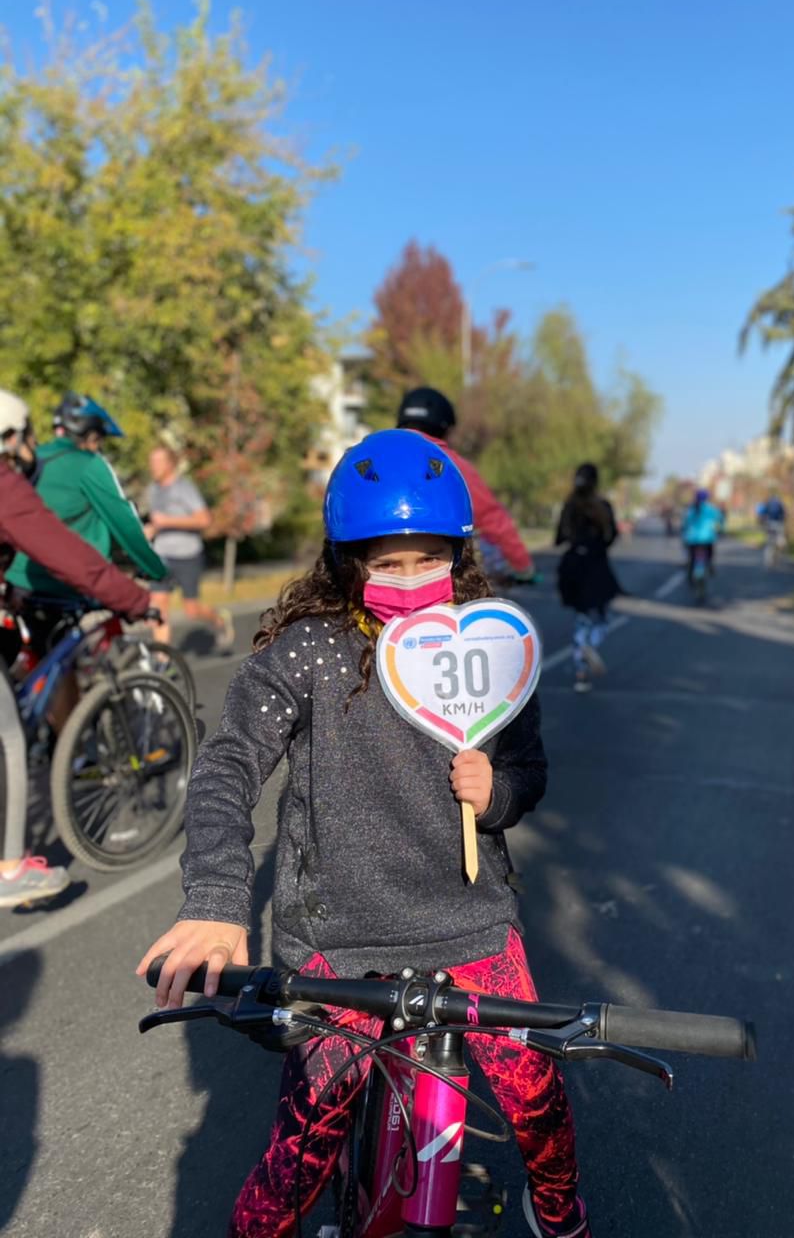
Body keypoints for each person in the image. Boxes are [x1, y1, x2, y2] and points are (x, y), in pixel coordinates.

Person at [137, 429, 591, 1238]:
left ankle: (559, 1211)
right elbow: (228, 765)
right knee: (300, 1154)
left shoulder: (490, 649)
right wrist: (214, 897)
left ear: (459, 552)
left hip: (470, 924)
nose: (412, 581)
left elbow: (530, 771)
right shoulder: (309, 652)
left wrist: (498, 795)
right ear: (346, 560)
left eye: (429, 559)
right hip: (336, 940)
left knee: (539, 1104)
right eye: (387, 562)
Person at [0, 390, 156, 908]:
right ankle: (10, 869)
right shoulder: (22, 479)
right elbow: (81, 544)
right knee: (10, 739)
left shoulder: (38, 466)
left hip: (21, 594)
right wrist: (141, 591)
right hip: (64, 587)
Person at [3, 390, 166, 728]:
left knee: (37, 658)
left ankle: (57, 745)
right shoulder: (88, 464)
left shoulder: (36, 460)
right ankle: (73, 755)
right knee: (59, 669)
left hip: (20, 586)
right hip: (65, 583)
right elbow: (123, 522)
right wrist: (153, 573)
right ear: (92, 437)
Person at [396, 385, 535, 582]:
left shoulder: (376, 460)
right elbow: (491, 518)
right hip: (438, 575)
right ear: (446, 428)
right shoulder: (452, 466)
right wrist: (522, 565)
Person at [145, 444, 233, 652]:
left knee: (191, 610)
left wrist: (167, 522)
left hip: (187, 555)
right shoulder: (153, 490)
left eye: (158, 462)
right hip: (161, 555)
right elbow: (158, 522)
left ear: (170, 464)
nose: (153, 466)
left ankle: (219, 619)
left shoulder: (184, 488)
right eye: (151, 462)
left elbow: (204, 520)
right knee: (158, 607)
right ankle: (162, 661)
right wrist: (151, 529)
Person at [556, 463, 620, 693]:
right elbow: (611, 536)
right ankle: (590, 645)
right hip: (596, 568)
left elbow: (559, 537)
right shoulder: (603, 507)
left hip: (572, 567)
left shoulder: (569, 506)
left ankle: (581, 674)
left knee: (580, 619)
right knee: (602, 617)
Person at [681, 489, 725, 583]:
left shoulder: (691, 509)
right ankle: (709, 566)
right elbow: (720, 519)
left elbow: (685, 523)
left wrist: (684, 534)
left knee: (691, 558)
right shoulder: (711, 509)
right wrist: (721, 530)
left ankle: (691, 574)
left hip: (692, 539)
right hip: (707, 539)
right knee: (709, 555)